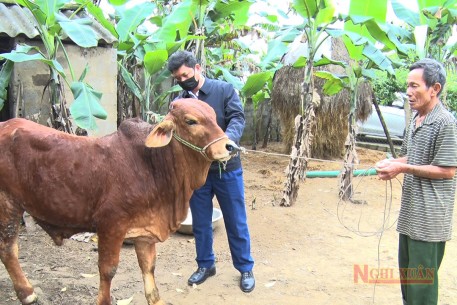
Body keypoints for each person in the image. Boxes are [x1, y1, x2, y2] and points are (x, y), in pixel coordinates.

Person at [167, 50, 255, 293]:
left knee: (236, 221)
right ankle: (206, 265)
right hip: (197, 172)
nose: (183, 80)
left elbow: (237, 117)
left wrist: (229, 139)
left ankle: (245, 268)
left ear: (197, 68)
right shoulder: (179, 103)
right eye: (178, 78)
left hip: (227, 168)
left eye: (185, 74)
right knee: (201, 222)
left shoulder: (223, 90)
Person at [375, 58, 457, 305]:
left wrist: (402, 167)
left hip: (430, 220)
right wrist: (392, 164)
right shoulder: (417, 118)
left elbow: (448, 170)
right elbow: (414, 156)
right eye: (407, 86)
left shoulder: (445, 122)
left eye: (414, 86)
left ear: (435, 89)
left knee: (421, 290)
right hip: (410, 216)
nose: (409, 92)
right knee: (409, 285)